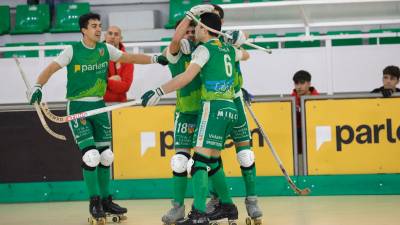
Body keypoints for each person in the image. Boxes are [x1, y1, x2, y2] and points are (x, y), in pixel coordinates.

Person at [27, 12, 168, 222]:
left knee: (106, 156)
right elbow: (50, 69)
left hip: (99, 107)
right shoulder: (72, 51)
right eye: (94, 26)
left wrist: (156, 58)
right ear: (83, 30)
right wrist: (38, 86)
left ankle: (106, 200)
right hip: (78, 108)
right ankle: (94, 202)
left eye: (99, 25)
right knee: (90, 156)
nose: (98, 29)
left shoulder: (105, 49)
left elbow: (129, 58)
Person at [141, 12, 249, 225]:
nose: (195, 31)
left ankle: (198, 214)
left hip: (212, 107)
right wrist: (239, 39)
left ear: (205, 29)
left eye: (198, 27)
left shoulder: (203, 49)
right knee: (211, 160)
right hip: (230, 108)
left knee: (199, 162)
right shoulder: (227, 48)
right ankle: (227, 206)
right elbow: (244, 54)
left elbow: (187, 76)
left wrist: (159, 91)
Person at [205, 4, 263, 223]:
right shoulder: (205, 45)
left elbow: (246, 53)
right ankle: (217, 199)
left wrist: (239, 38)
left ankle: (252, 199)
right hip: (215, 101)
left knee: (245, 154)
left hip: (235, 99)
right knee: (210, 154)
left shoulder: (229, 41)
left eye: (217, 19)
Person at [161, 19, 200, 225]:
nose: (191, 34)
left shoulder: (205, 51)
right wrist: (185, 23)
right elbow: (175, 41)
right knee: (180, 161)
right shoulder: (174, 54)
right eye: (187, 31)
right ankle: (177, 208)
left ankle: (213, 202)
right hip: (184, 113)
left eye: (194, 30)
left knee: (205, 163)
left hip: (205, 112)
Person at [290, 70, 319, 154]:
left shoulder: (319, 100)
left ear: (309, 84)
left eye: (302, 83)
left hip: (314, 142)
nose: (299, 87)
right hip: (295, 146)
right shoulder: (289, 101)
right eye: (296, 83)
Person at [104, 25, 134, 102]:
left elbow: (125, 86)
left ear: (120, 38)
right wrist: (112, 80)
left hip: (119, 105)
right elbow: (92, 83)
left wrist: (105, 82)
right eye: (110, 33)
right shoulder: (94, 56)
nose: (112, 37)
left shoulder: (127, 59)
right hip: (98, 104)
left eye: (116, 34)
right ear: (105, 36)